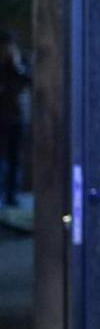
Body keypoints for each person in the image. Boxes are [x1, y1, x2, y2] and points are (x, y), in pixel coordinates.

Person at [0, 30, 29, 207]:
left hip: (16, 118)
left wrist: (17, 65)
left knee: (14, 159)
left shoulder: (19, 64)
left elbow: (29, 80)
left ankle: (11, 196)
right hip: (3, 118)